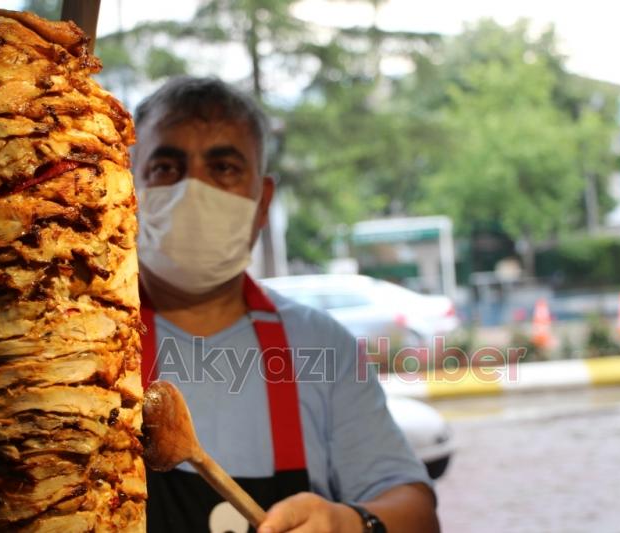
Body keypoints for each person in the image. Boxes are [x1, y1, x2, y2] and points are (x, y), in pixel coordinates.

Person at [133, 75, 439, 533]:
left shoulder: (321, 345)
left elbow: (416, 512)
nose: (193, 191)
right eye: (166, 168)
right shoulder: (76, 345)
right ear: (127, 187)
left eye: (224, 168)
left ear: (263, 202)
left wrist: (348, 523)